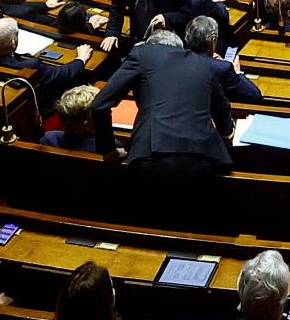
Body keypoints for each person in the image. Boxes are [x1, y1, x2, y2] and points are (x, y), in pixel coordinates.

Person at [98, 17, 258, 201]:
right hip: (201, 158)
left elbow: (99, 104)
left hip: (150, 156)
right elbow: (222, 112)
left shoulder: (142, 54)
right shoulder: (204, 64)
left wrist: (108, 150)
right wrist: (226, 133)